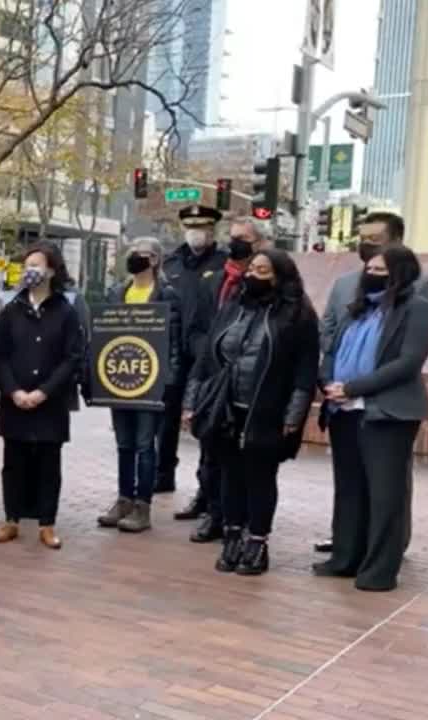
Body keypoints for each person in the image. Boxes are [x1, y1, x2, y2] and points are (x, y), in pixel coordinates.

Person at [185, 249, 319, 577]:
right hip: (225, 407)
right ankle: (232, 535)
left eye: (263, 270)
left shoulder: (298, 316)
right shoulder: (234, 306)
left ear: (280, 276)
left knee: (260, 477)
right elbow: (206, 358)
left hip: (267, 411)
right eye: (252, 269)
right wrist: (192, 400)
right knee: (229, 474)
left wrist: (293, 417)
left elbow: (305, 372)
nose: (253, 275)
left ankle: (257, 541)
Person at [313, 211, 428, 554]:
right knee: (349, 480)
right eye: (361, 240)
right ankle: (347, 542)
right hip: (344, 401)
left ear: (396, 241)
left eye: (374, 241)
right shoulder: (345, 284)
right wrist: (331, 379)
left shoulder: (420, 288)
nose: (365, 247)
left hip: (386, 402)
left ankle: (385, 546)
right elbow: (330, 330)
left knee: (387, 483)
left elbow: (409, 356)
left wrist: (357, 386)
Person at [176, 216, 274, 542]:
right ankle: (214, 512)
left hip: (247, 383)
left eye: (242, 238)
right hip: (211, 379)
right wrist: (211, 353)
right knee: (211, 453)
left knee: (243, 459)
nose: (235, 244)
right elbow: (196, 327)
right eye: (232, 237)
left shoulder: (269, 284)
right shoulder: (215, 280)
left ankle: (242, 517)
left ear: (260, 243)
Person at [0, 242, 84, 549]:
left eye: (38, 264)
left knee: (48, 464)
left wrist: (44, 392)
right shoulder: (11, 309)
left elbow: (72, 358)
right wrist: (14, 390)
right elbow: (0, 355)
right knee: (13, 462)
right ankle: (11, 519)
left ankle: (47, 524)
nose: (31, 270)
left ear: (52, 270)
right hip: (14, 400)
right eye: (27, 264)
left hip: (50, 402)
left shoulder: (66, 312)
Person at [96, 238, 181, 533]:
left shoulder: (166, 294)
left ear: (155, 260)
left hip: (151, 381)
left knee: (145, 445)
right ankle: (123, 499)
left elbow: (173, 342)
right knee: (124, 444)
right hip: (121, 378)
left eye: (139, 255)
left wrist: (168, 380)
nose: (133, 259)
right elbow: (105, 333)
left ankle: (142, 506)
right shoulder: (116, 292)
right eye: (131, 254)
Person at [158, 205, 226, 493]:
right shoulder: (170, 263)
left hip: (207, 354)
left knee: (208, 420)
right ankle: (162, 476)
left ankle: (205, 488)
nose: (197, 233)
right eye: (192, 227)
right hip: (173, 352)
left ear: (212, 230)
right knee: (166, 418)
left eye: (203, 227)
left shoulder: (224, 263)